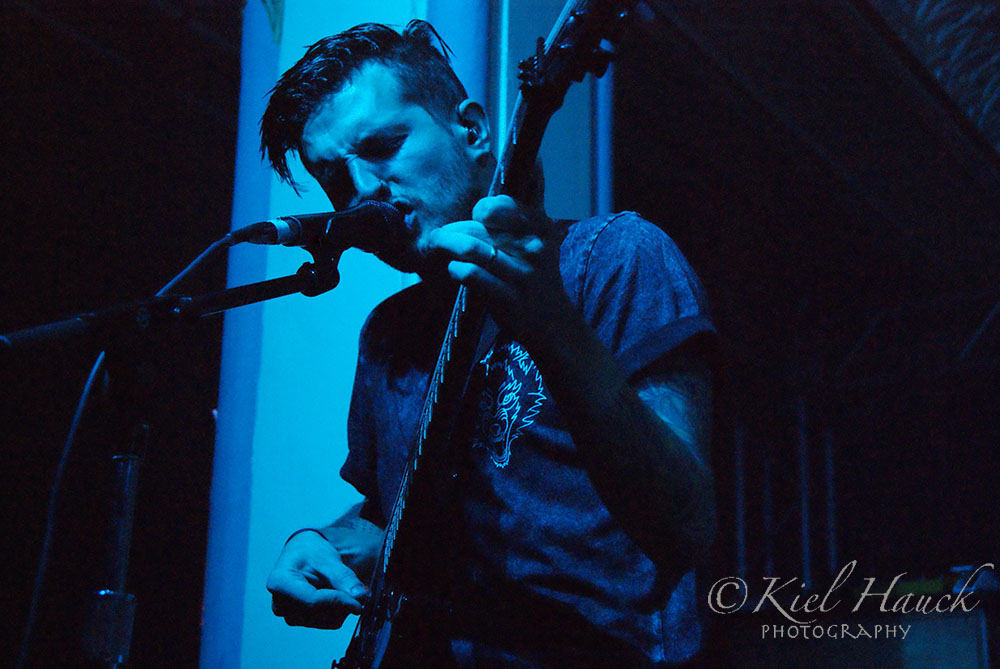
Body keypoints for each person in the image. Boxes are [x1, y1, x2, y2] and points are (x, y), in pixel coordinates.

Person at [261, 20, 717, 667]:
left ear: (472, 130)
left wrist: (555, 331)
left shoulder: (614, 256)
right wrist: (320, 543)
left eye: (385, 145)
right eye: (336, 178)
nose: (361, 190)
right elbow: (388, 516)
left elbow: (686, 525)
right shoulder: (388, 333)